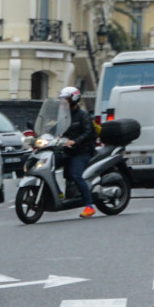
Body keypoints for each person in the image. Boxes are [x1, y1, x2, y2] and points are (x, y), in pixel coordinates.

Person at [58, 86, 99, 218]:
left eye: (66, 100)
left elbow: (88, 132)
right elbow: (56, 128)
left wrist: (75, 141)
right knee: (51, 162)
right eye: (62, 100)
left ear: (74, 99)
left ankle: (89, 205)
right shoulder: (64, 116)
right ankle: (58, 193)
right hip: (68, 149)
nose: (63, 103)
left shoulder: (83, 115)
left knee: (76, 175)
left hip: (82, 150)